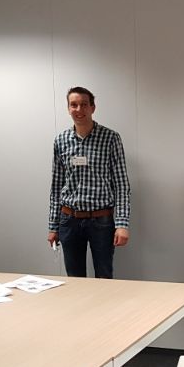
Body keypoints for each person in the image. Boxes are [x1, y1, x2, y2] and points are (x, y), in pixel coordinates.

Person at [48, 87, 131, 279]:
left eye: (84, 104)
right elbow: (56, 186)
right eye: (73, 105)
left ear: (93, 107)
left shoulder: (111, 138)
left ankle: (106, 310)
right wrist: (53, 226)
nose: (79, 109)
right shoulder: (61, 140)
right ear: (68, 109)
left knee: (104, 277)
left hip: (101, 221)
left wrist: (122, 224)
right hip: (69, 220)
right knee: (74, 279)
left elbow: (121, 185)